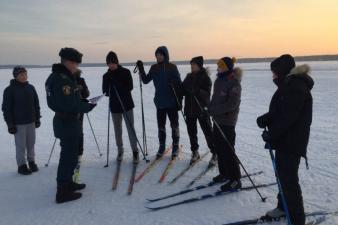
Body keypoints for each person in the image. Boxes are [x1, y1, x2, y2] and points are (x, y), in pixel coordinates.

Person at [257, 54, 313, 225]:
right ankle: (283, 207)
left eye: (274, 72)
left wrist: (271, 134)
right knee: (282, 177)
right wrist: (266, 118)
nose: (273, 76)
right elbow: (280, 111)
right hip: (284, 140)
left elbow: (288, 117)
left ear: (282, 72)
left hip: (292, 142)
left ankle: (297, 221)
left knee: (289, 183)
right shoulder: (287, 85)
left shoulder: (295, 87)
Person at [45, 47, 96, 203]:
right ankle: (62, 192)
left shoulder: (58, 76)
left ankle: (68, 183)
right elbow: (69, 105)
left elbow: (70, 101)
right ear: (66, 61)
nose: (76, 66)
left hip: (67, 121)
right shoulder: (62, 79)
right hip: (67, 122)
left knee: (71, 156)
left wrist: (82, 102)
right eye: (74, 63)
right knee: (67, 158)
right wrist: (87, 106)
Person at [136, 46, 182, 159]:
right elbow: (146, 80)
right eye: (157, 54)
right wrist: (141, 69)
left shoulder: (172, 67)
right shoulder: (154, 68)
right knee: (161, 126)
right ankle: (162, 146)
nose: (159, 56)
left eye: (161, 54)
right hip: (160, 102)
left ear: (165, 55)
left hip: (172, 102)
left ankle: (175, 145)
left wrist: (179, 101)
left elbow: (179, 85)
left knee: (174, 125)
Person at [208, 57, 243, 192]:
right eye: (218, 66)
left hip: (228, 122)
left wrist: (214, 111)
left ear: (228, 67)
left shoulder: (234, 83)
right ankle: (225, 173)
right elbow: (214, 99)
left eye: (221, 66)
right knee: (219, 147)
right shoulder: (218, 80)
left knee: (228, 150)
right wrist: (209, 108)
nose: (219, 68)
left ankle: (235, 179)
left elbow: (232, 104)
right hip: (217, 120)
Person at [2, 66, 41, 175]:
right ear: (16, 76)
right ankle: (22, 165)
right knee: (20, 145)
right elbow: (6, 109)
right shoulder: (9, 90)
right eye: (21, 74)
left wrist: (37, 118)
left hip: (31, 121)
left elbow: (36, 104)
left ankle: (31, 161)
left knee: (31, 143)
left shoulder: (31, 88)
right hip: (18, 123)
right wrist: (10, 124)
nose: (24, 76)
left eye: (25, 74)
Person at [102, 51, 139, 163]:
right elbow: (105, 92)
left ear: (117, 62)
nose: (111, 65)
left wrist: (117, 84)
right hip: (114, 106)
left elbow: (130, 87)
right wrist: (109, 87)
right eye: (109, 63)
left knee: (130, 128)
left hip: (126, 105)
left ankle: (135, 151)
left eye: (113, 62)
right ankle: (120, 150)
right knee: (117, 130)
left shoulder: (126, 72)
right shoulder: (106, 76)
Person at [181, 56, 217, 166]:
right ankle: (195, 152)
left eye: (194, 64)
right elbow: (182, 89)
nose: (192, 66)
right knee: (192, 132)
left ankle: (215, 153)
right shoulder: (189, 77)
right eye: (191, 64)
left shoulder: (205, 78)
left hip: (202, 110)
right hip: (190, 109)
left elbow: (207, 94)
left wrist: (197, 91)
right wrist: (177, 88)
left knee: (208, 132)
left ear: (199, 66)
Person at [72, 69, 90, 183]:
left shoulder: (81, 80)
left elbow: (87, 94)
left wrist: (82, 88)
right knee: (71, 131)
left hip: (80, 108)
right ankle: (72, 152)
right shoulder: (66, 80)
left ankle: (79, 153)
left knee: (79, 130)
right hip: (69, 109)